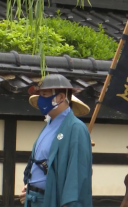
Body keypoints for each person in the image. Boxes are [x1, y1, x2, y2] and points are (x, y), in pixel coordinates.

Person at [19, 74, 93, 207]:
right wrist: (30, 188)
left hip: (53, 201)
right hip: (33, 199)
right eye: (40, 95)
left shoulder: (76, 128)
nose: (41, 99)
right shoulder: (48, 126)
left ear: (61, 97)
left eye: (45, 94)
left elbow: (76, 175)